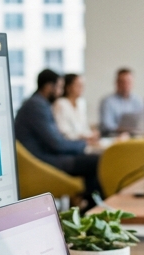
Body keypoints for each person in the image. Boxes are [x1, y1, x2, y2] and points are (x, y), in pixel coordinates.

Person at [14, 69, 100, 197]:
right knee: (97, 161)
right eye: (59, 87)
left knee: (91, 162)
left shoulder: (38, 103)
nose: (61, 92)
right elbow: (56, 143)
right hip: (43, 161)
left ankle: (87, 206)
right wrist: (82, 144)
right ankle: (91, 208)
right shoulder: (37, 106)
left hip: (45, 156)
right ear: (49, 87)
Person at [98, 67, 144, 136]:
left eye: (128, 82)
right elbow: (106, 126)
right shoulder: (107, 102)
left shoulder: (138, 100)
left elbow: (143, 121)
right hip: (114, 137)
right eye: (123, 82)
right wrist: (124, 130)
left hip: (135, 137)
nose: (126, 85)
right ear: (116, 83)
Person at [52, 73, 93, 141]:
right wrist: (82, 137)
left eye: (82, 85)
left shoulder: (81, 103)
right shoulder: (60, 103)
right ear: (68, 87)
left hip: (85, 141)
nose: (81, 88)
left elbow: (85, 128)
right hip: (71, 144)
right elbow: (63, 132)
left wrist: (91, 135)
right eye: (78, 85)